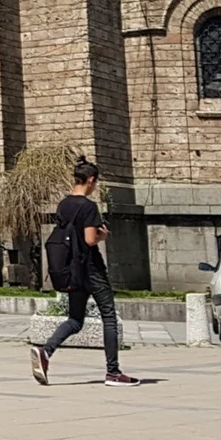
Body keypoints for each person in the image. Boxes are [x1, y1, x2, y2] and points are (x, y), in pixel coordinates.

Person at [31, 159, 137, 388]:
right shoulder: (88, 207)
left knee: (75, 319)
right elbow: (89, 239)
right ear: (91, 180)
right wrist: (103, 236)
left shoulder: (63, 205)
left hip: (72, 269)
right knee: (108, 316)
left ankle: (46, 351)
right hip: (90, 268)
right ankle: (113, 372)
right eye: (95, 182)